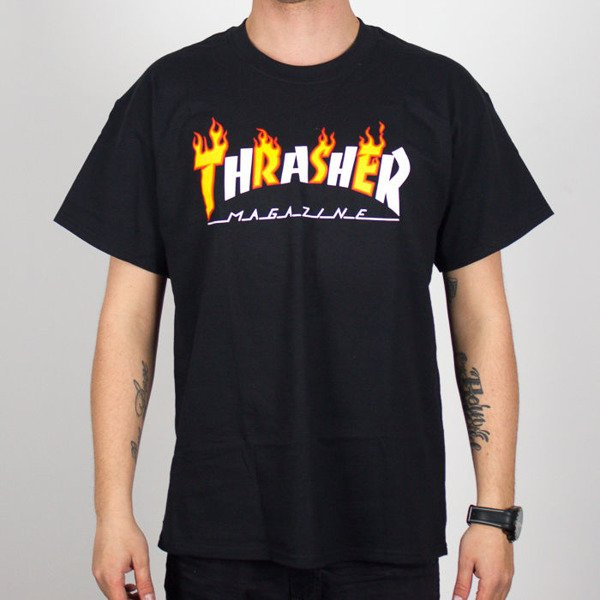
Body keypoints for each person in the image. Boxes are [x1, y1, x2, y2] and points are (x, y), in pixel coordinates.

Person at [52, 0, 554, 598]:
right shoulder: (169, 94)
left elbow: (481, 315)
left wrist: (494, 514)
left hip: (388, 530)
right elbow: (128, 320)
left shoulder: (440, 94)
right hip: (221, 531)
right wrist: (112, 511)